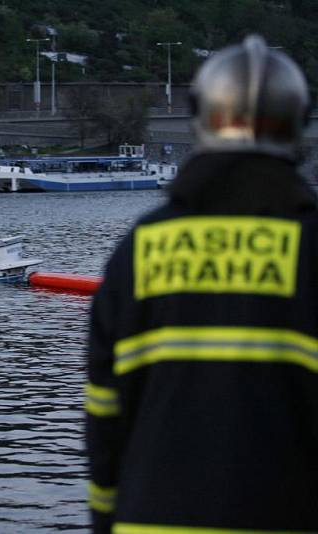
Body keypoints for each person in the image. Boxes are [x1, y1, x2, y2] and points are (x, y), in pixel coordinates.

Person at [86, 35, 318, 533]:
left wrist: (105, 519)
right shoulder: (310, 245)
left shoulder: (141, 247)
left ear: (200, 118)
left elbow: (104, 413)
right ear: (299, 121)